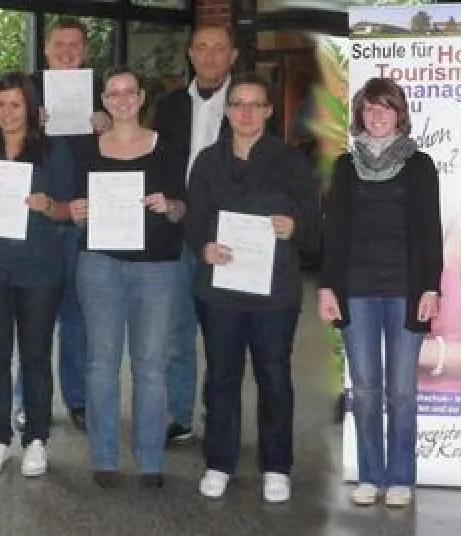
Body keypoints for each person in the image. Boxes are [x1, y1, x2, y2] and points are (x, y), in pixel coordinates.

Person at [185, 73, 318, 503]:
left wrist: (294, 226)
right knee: (221, 377)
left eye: (255, 104)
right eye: (238, 104)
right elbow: (195, 219)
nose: (245, 113)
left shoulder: (291, 162)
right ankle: (219, 462)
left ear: (268, 111)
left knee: (274, 378)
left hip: (274, 293)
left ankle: (276, 466)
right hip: (220, 291)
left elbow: (314, 222)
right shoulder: (208, 161)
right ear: (226, 111)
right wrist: (203, 246)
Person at [318, 77, 442, 508]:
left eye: (385, 107)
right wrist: (327, 286)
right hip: (357, 291)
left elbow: (430, 231)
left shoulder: (419, 165)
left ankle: (401, 477)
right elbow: (333, 231)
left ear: (399, 114)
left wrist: (431, 287)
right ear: (360, 115)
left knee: (402, 392)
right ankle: (370, 475)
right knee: (366, 389)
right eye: (370, 108)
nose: (377, 115)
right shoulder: (344, 166)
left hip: (406, 291)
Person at [68, 67, 184, 489]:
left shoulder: (167, 147)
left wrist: (169, 205)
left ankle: (151, 459)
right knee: (101, 364)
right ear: (104, 100)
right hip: (99, 264)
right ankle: (104, 457)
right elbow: (75, 210)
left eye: (129, 92)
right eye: (113, 93)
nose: (122, 100)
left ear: (141, 97)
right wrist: (76, 213)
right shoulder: (85, 150)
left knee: (151, 365)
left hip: (156, 267)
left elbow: (184, 208)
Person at [0, 72, 74, 477]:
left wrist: (47, 205)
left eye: (15, 104)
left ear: (30, 108)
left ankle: (37, 439)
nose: (6, 113)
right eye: (0, 104)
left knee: (35, 355)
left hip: (39, 266)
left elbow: (69, 210)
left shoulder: (54, 152)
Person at [16, 16, 111, 433]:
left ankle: (77, 399)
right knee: (32, 319)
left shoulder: (103, 92)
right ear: (46, 49)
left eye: (75, 46)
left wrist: (108, 125)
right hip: (37, 217)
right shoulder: (26, 91)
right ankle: (26, 400)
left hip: (85, 219)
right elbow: (5, 144)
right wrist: (28, 123)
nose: (67, 52)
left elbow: (121, 149)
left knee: (78, 318)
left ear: (85, 51)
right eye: (60, 45)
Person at [153, 23, 238, 446]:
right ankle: (179, 415)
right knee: (176, 331)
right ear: (190, 54)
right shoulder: (168, 107)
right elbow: (154, 163)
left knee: (224, 332)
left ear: (233, 56)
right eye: (201, 48)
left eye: (218, 49)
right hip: (175, 231)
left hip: (227, 236)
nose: (209, 56)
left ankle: (219, 416)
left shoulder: (246, 105)